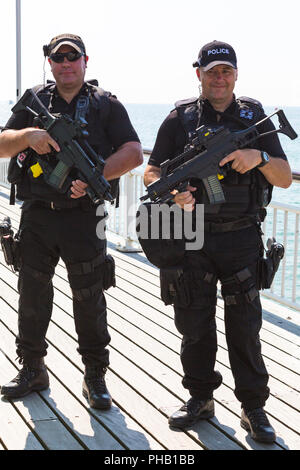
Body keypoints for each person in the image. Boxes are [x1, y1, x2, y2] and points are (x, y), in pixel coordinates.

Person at [143, 40, 292, 443]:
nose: (219, 78)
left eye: (226, 70)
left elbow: (282, 175)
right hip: (192, 237)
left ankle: (253, 407)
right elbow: (151, 172)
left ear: (236, 74)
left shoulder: (255, 117)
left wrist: (257, 158)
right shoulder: (180, 118)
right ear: (199, 75)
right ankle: (200, 398)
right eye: (212, 71)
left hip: (242, 235)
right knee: (194, 322)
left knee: (245, 326)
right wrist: (172, 194)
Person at [0, 33, 143, 409]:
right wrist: (28, 135)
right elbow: (1, 143)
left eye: (72, 57)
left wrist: (98, 175)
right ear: (50, 62)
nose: (65, 64)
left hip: (85, 217)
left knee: (89, 297)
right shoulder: (34, 102)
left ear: (85, 61)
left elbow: (133, 151)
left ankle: (95, 374)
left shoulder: (105, 105)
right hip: (37, 216)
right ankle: (33, 367)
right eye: (58, 58)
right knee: (32, 294)